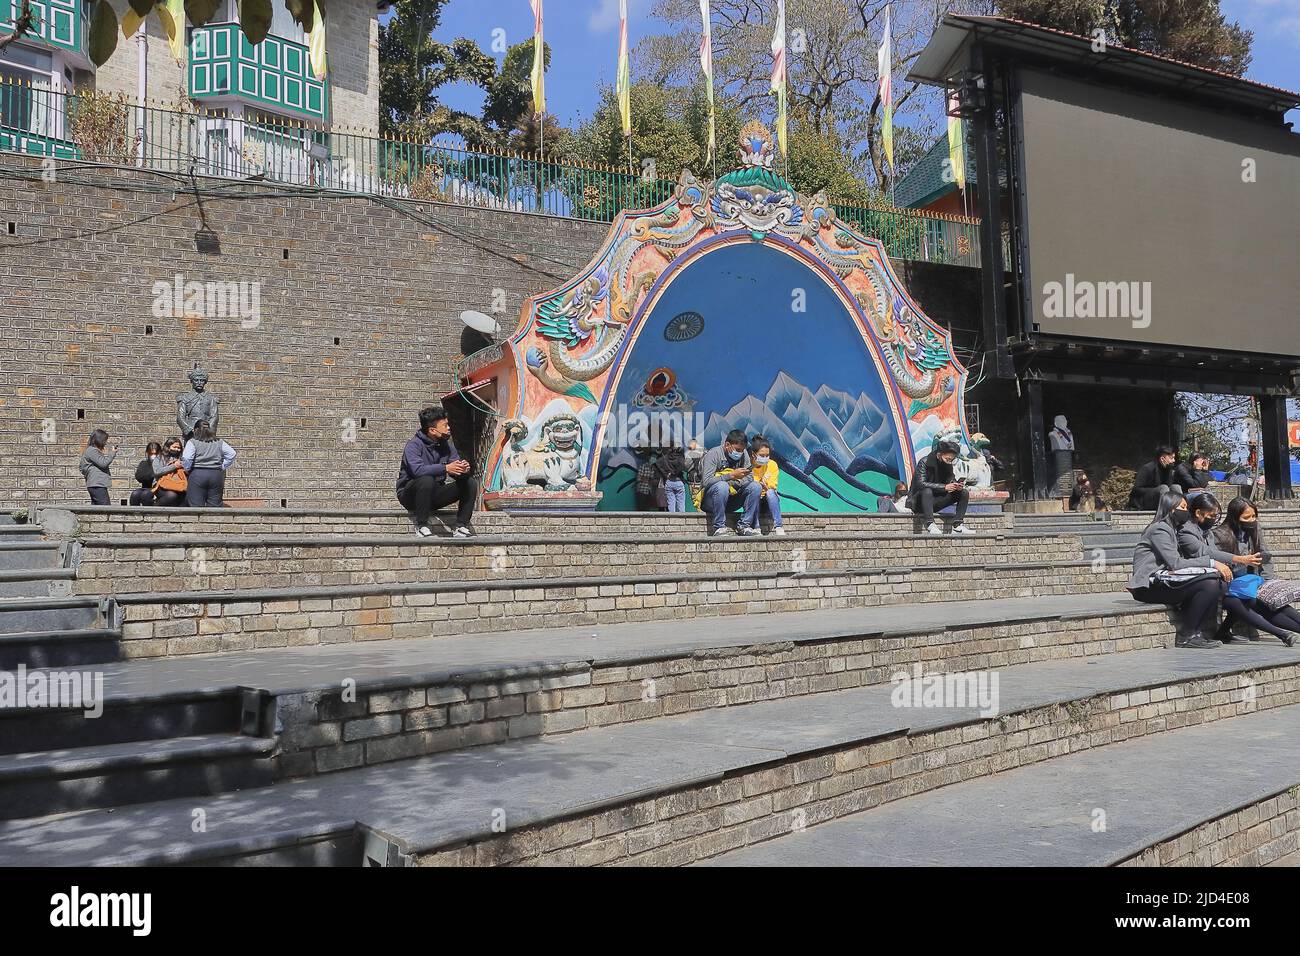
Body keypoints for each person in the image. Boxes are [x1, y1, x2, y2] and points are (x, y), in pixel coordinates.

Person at [1128, 491, 1230, 649]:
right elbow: (1175, 563)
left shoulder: (1173, 530)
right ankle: (1186, 635)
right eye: (1182, 507)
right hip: (1148, 586)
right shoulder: (1159, 529)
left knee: (1219, 583)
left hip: (1166, 580)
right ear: (1170, 508)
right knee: (1208, 584)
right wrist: (1212, 563)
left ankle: (1199, 632)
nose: (1186, 511)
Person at [1175, 492, 1265, 645]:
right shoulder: (1187, 530)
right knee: (1214, 585)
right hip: (1184, 579)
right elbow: (1205, 552)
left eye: (1216, 516)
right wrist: (1239, 559)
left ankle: (1211, 632)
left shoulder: (1206, 532)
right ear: (1198, 513)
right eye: (1212, 515)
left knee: (1231, 588)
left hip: (1206, 575)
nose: (1214, 519)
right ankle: (1188, 634)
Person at [396, 406, 477, 538]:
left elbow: (453, 467)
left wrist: (463, 469)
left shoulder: (447, 446)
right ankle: (422, 525)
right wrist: (445, 468)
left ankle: (461, 526)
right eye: (445, 425)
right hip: (410, 496)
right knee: (426, 479)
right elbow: (417, 470)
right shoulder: (413, 445)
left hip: (434, 494)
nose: (449, 428)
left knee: (469, 482)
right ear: (432, 430)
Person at [700, 429, 761, 537]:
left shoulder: (743, 454)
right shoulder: (714, 454)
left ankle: (744, 525)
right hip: (711, 501)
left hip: (731, 500)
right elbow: (706, 482)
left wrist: (736, 482)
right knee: (722, 486)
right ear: (727, 444)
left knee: (755, 486)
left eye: (742, 450)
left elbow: (749, 477)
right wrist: (731, 476)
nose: (740, 453)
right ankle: (719, 527)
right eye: (737, 449)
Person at [907, 440, 972, 535]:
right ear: (939, 455)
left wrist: (956, 485)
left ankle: (958, 526)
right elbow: (920, 484)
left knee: (964, 493)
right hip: (919, 502)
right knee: (927, 490)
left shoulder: (948, 465)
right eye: (947, 459)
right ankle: (930, 524)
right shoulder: (924, 462)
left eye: (951, 460)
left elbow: (951, 479)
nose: (949, 462)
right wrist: (944, 487)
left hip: (936, 502)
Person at [181, 421, 237, 508]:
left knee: (196, 506)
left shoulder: (192, 442)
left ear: (196, 430)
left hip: (197, 474)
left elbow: (187, 458)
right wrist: (222, 466)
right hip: (215, 474)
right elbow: (232, 454)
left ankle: (198, 521)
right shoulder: (219, 442)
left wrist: (187, 469)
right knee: (214, 506)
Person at [749, 437, 785, 535]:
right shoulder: (747, 466)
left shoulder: (772, 465)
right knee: (755, 491)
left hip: (768, 501)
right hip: (753, 502)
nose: (765, 458)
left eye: (767, 455)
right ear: (753, 455)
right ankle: (756, 527)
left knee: (770, 492)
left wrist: (765, 487)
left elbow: (772, 486)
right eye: (761, 455)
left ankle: (779, 526)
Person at [1127, 446, 1181, 510]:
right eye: (1171, 458)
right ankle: (1164, 513)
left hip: (1161, 499)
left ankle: (1180, 510)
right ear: (1162, 459)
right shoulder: (1148, 468)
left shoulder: (1168, 470)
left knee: (1176, 487)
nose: (1173, 461)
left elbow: (1170, 487)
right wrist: (1156, 491)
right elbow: (1136, 489)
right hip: (1144, 502)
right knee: (1163, 488)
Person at [79, 429, 118, 506]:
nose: (105, 443)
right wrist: (112, 453)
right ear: (99, 439)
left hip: (95, 485)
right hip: (97, 485)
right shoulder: (92, 451)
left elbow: (82, 468)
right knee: (106, 509)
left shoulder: (90, 450)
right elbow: (103, 463)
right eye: (104, 440)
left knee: (96, 510)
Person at [152, 437, 188, 507]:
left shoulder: (182, 458)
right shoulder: (159, 458)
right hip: (161, 484)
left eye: (179, 448)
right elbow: (157, 471)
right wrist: (174, 466)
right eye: (174, 447)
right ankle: (154, 507)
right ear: (168, 447)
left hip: (178, 483)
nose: (177, 449)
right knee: (171, 496)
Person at [656, 443, 688, 513]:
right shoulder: (680, 457)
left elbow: (658, 462)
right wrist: (675, 473)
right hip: (678, 481)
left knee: (671, 503)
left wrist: (666, 474)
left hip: (669, 481)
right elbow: (683, 467)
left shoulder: (667, 456)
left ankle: (671, 521)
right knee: (681, 503)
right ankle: (682, 521)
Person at [130, 442, 162, 507]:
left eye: (155, 454)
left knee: (146, 494)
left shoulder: (162, 463)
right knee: (135, 494)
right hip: (146, 487)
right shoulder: (144, 463)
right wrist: (153, 474)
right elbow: (139, 477)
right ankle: (134, 514)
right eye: (151, 454)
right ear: (147, 453)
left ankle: (148, 514)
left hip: (158, 488)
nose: (153, 456)